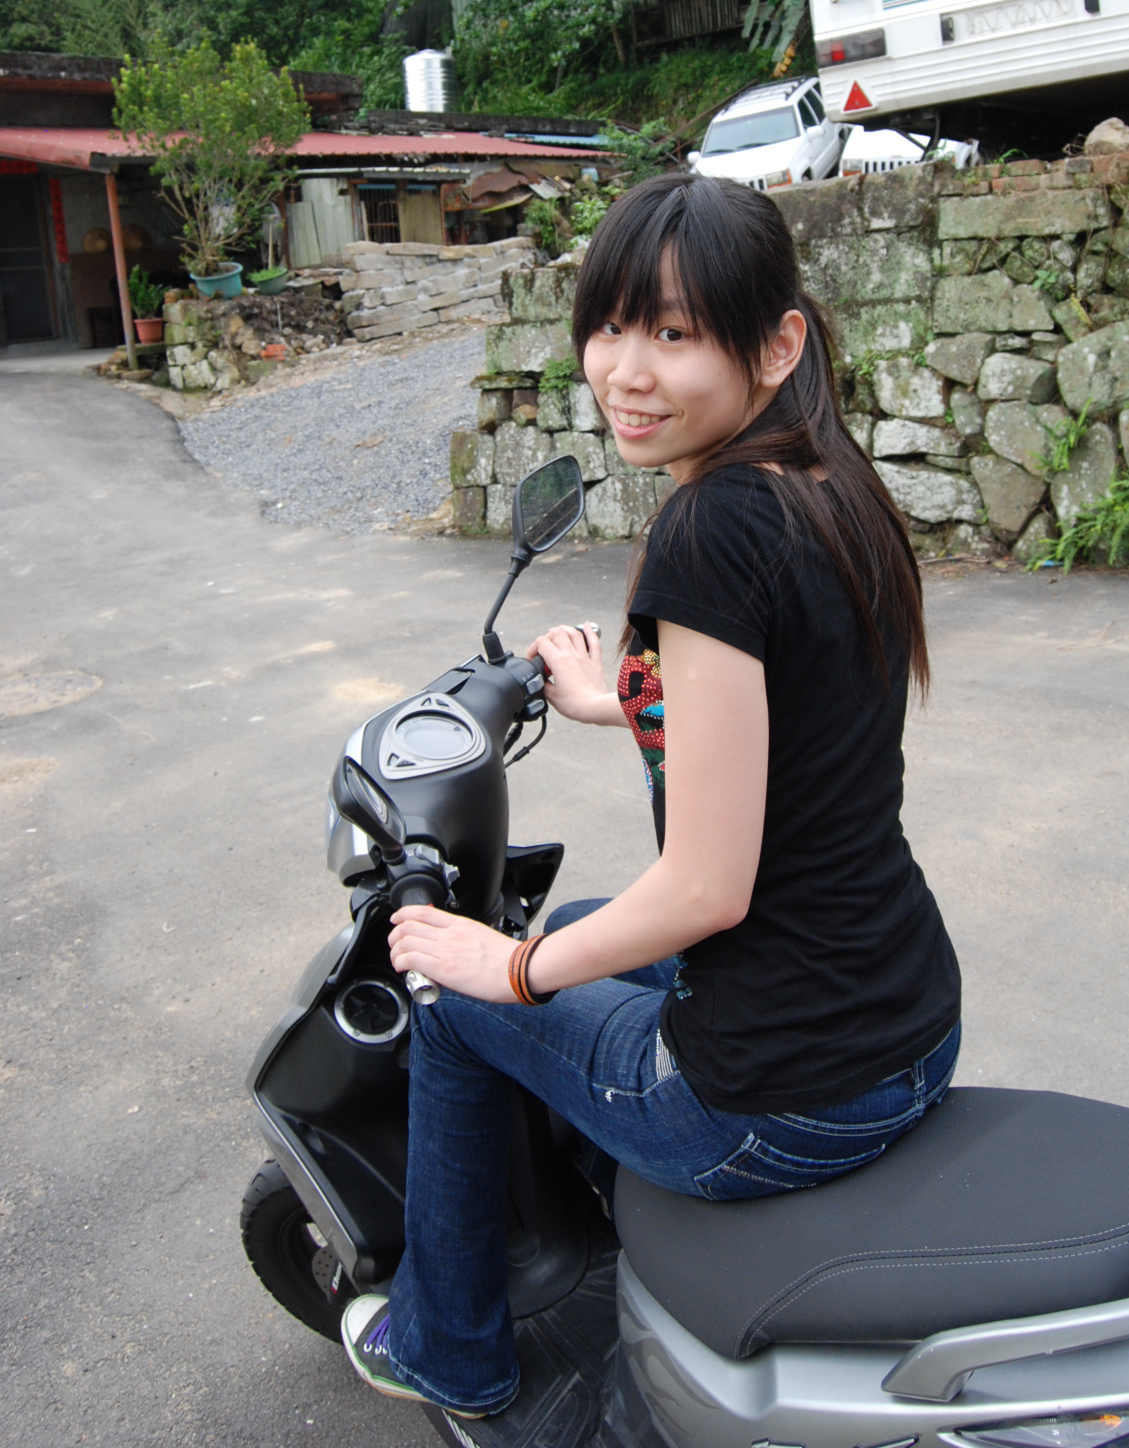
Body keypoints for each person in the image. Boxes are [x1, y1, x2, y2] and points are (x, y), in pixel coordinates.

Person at [340, 172, 962, 1412]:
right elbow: (800, 726)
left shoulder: (711, 529)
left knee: (459, 998)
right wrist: (618, 697)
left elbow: (706, 889)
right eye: (611, 325)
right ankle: (588, 1205)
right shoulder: (830, 483)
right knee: (577, 927)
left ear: (775, 344)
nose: (626, 370)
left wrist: (505, 967)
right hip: (905, 1021)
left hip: (776, 1096)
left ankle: (451, 1349)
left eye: (674, 333)